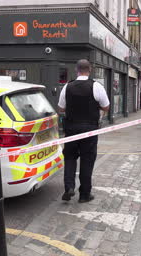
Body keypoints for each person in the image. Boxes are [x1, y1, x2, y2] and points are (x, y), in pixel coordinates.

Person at [58, 59, 110, 203]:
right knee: (87, 161)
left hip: (71, 130)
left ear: (77, 70)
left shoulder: (67, 87)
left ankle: (69, 187)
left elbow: (61, 108)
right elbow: (106, 107)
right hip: (90, 130)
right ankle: (84, 195)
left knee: (69, 158)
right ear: (90, 70)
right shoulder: (96, 86)